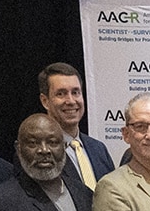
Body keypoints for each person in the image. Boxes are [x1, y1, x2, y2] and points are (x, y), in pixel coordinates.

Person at [40, 62, 112, 191]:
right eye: (61, 94)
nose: (71, 101)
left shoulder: (98, 149)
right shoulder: (39, 152)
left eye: (75, 92)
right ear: (45, 101)